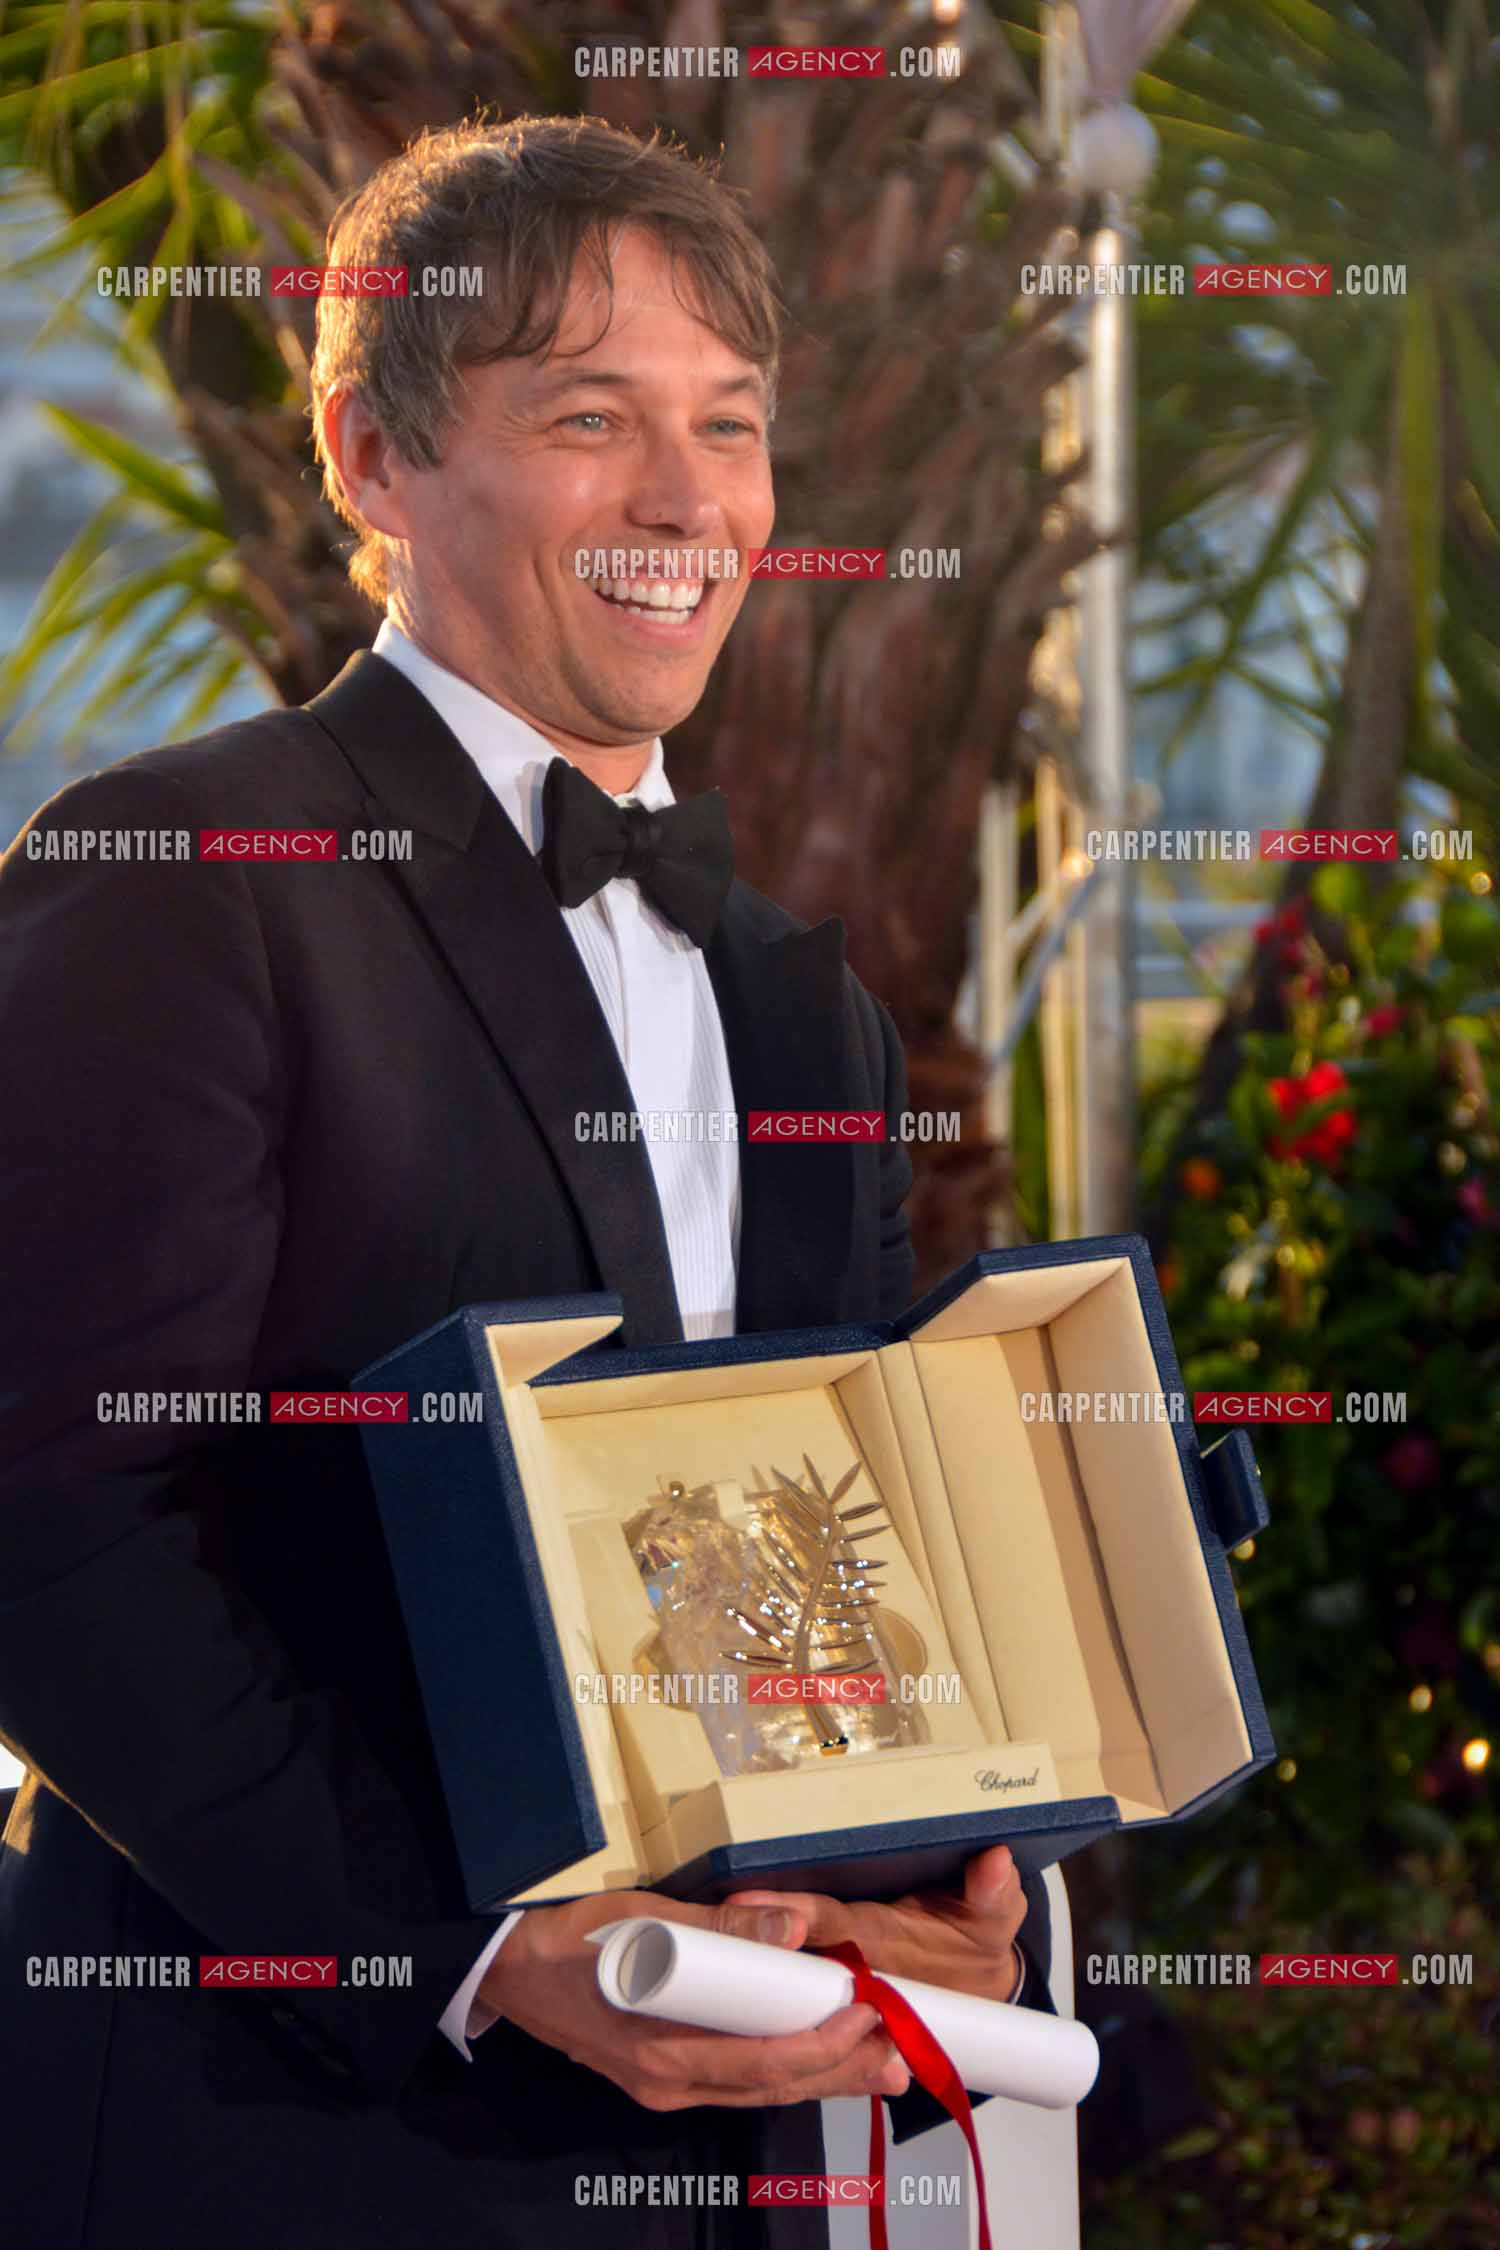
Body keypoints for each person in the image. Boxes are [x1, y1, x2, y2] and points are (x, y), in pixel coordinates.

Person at [0, 116, 1054, 2250]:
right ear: (374, 461)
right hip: (271, 2152)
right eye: (592, 419)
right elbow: (47, 1519)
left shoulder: (800, 1004)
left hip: (704, 2160)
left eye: (729, 429)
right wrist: (474, 1960)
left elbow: (814, 1546)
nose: (689, 505)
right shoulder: (185, 875)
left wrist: (924, 1874)